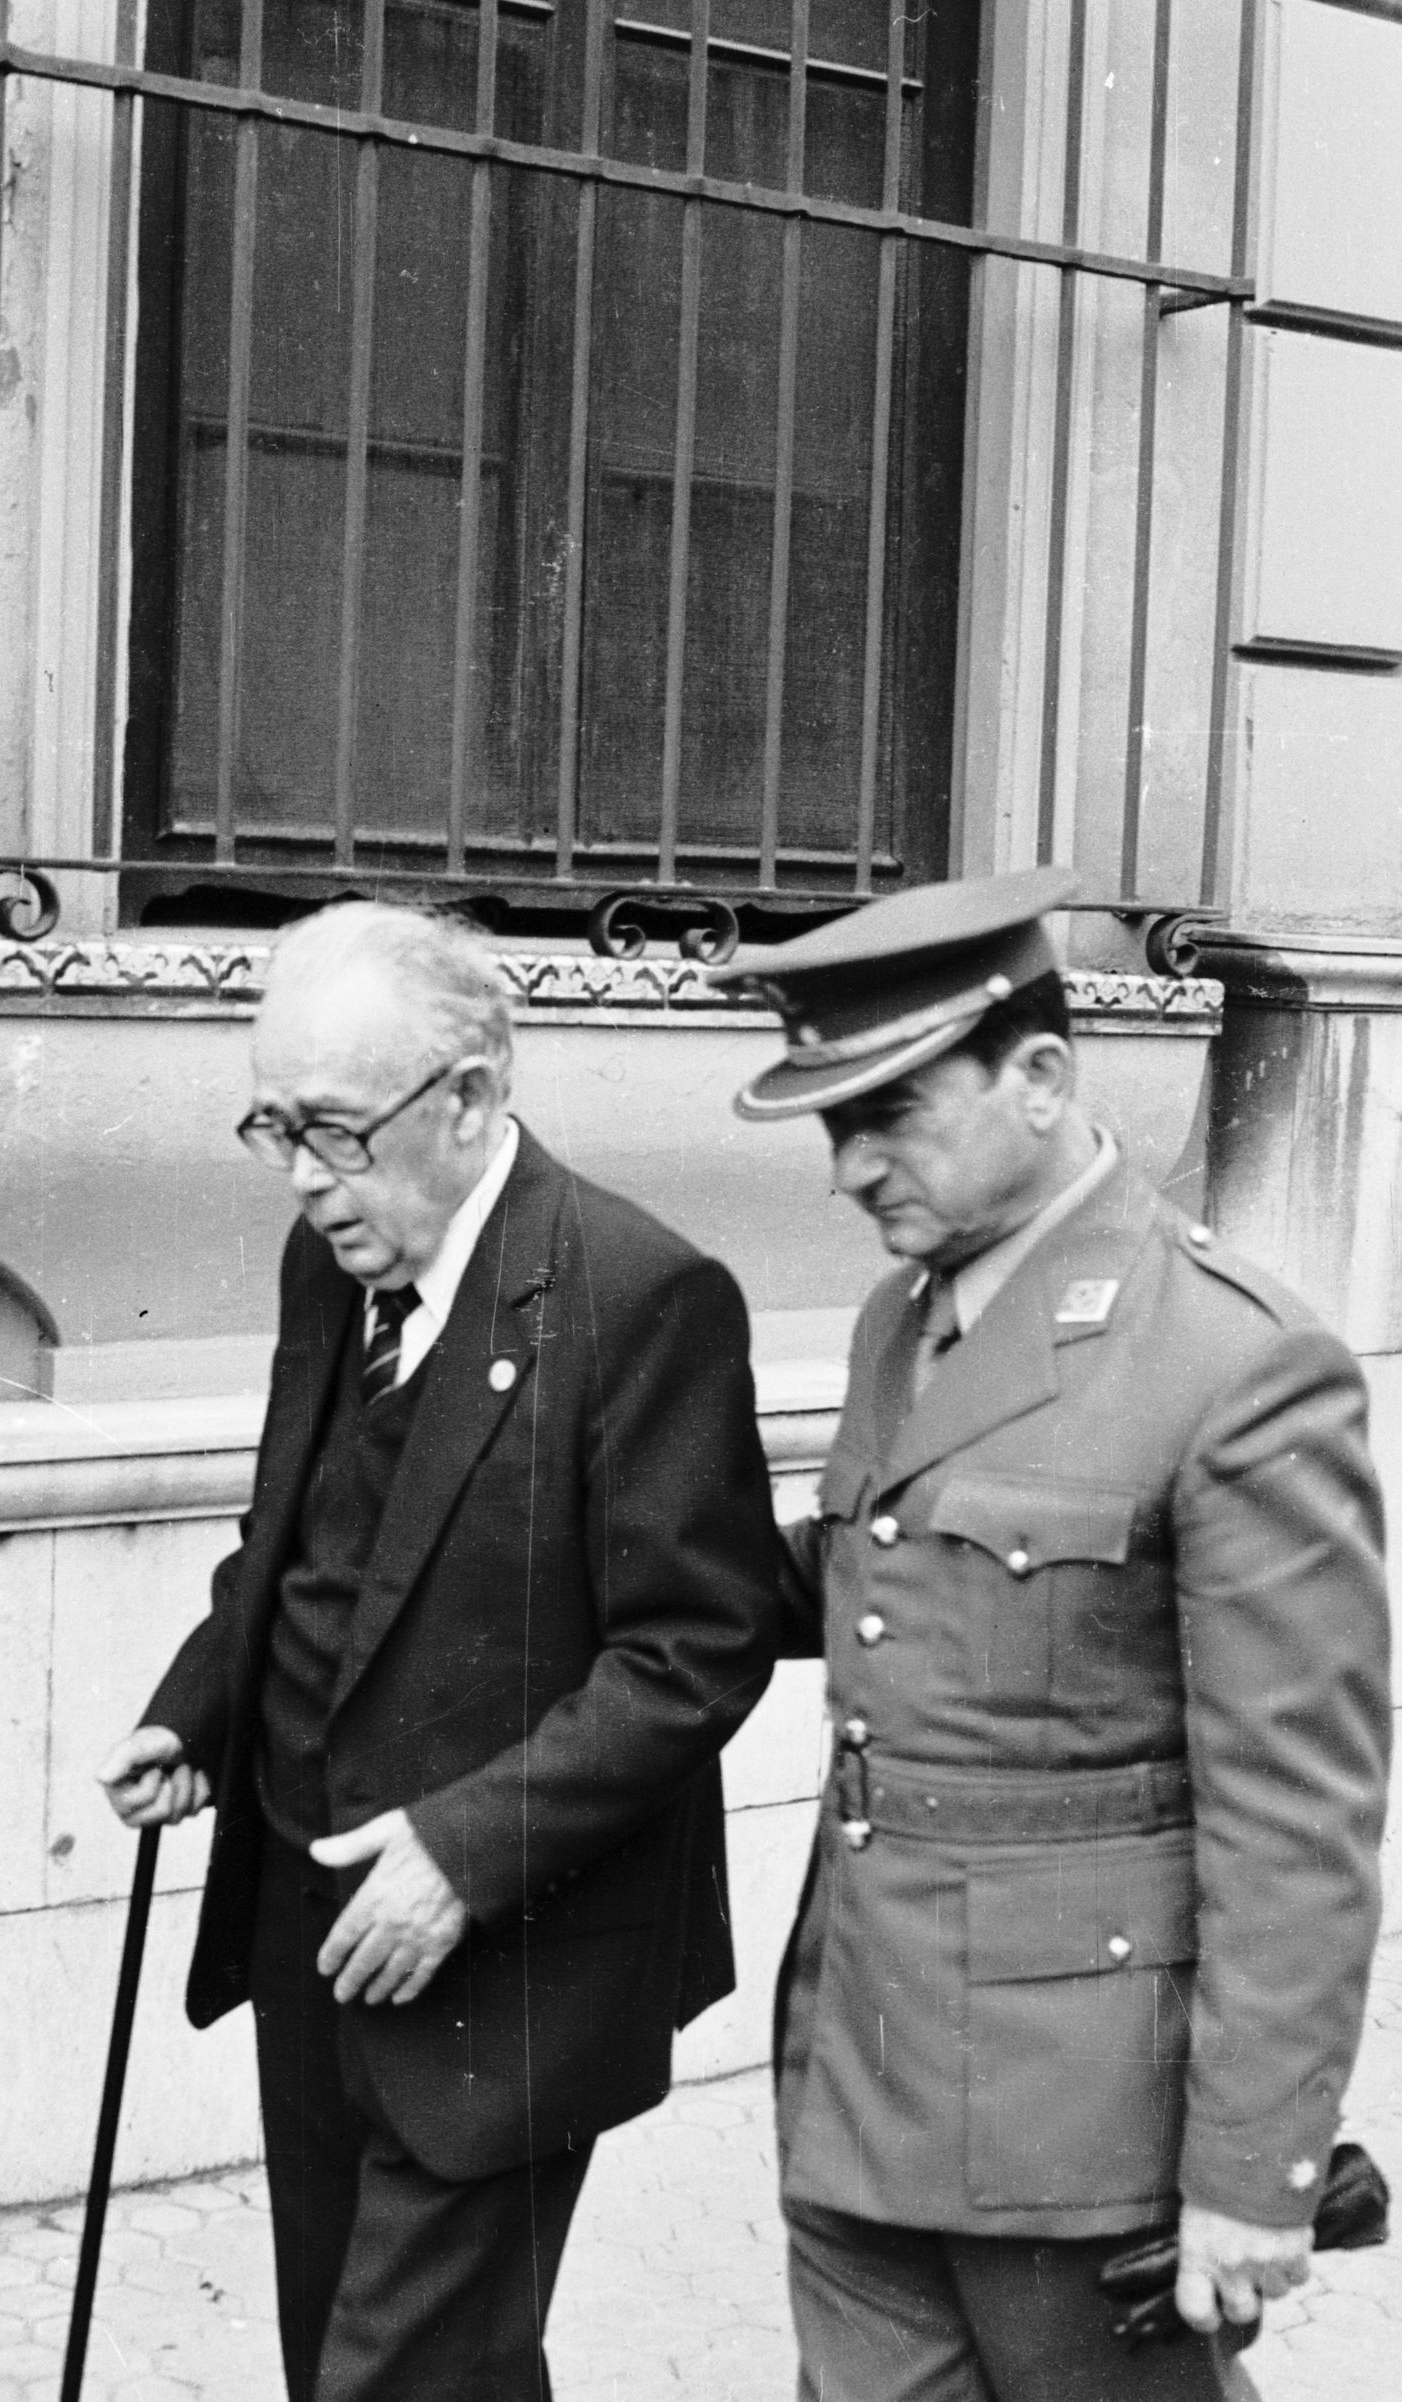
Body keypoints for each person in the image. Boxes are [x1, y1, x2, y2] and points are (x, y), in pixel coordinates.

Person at [712, 867, 1392, 2402]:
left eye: (887, 1113)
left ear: (1039, 1076)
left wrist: (1253, 2169)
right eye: (831, 1122)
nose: (848, 1167)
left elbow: (1298, 1822)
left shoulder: (1238, 1363)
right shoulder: (909, 1314)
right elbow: (877, 1579)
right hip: (861, 2067)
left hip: (1076, 2130)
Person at [98, 901, 783, 2402]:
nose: (300, 1176)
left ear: (467, 1098)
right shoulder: (329, 1264)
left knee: (397, 2380)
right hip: (312, 1920)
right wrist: (199, 1712)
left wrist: (468, 1852)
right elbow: (298, 1546)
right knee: (351, 2357)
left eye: (332, 1130)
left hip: (507, 1957)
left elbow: (699, 1644)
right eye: (272, 1127)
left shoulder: (636, 1291)